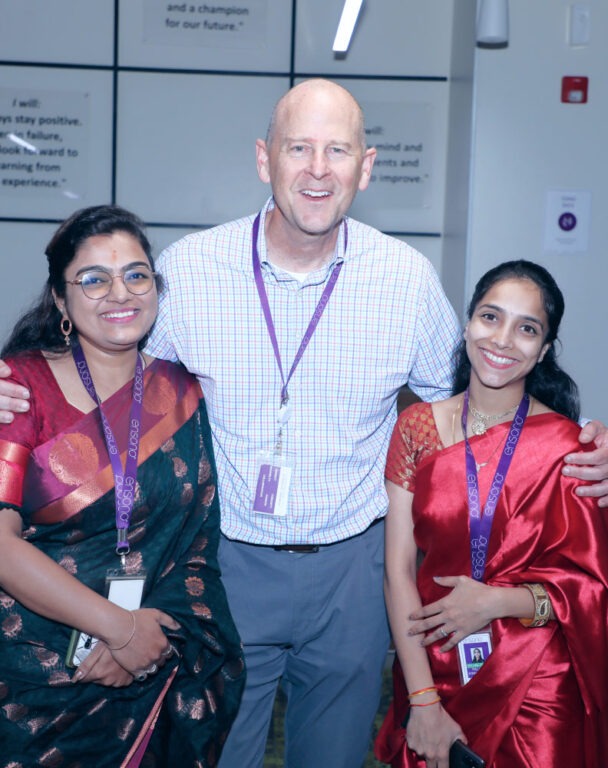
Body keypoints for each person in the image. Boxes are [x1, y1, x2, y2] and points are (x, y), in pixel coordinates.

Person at [0, 80, 607, 767]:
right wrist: (14, 386)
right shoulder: (190, 273)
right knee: (217, 752)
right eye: (299, 148)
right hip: (224, 568)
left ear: (366, 167)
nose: (318, 169)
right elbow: (112, 379)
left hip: (354, 570)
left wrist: (577, 441)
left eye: (338, 151)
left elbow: (483, 407)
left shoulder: (404, 280)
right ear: (265, 159)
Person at [0, 205, 245, 767]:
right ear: (61, 300)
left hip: (152, 659)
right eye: (94, 279)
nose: (120, 293)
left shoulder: (181, 395)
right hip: (34, 675)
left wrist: (146, 635)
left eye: (136, 275)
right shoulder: (20, 388)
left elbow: (195, 545)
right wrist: (119, 629)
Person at [375, 260, 608, 768]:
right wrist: (422, 700)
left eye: (527, 328)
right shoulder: (417, 428)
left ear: (544, 350)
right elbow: (397, 572)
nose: (503, 340)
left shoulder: (569, 448)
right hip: (433, 661)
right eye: (490, 317)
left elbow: (589, 590)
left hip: (539, 684)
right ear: (467, 324)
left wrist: (497, 602)